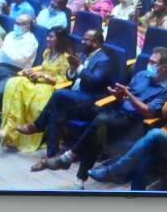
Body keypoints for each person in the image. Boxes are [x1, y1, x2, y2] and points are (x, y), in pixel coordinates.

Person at [39, 46, 167, 188]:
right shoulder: (142, 75)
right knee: (96, 127)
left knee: (100, 123)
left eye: (153, 62)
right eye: (149, 61)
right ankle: (77, 178)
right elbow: (127, 95)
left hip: (136, 123)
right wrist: (118, 94)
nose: (149, 64)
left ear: (164, 67)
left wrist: (128, 95)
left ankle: (69, 160)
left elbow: (148, 111)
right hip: (119, 113)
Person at [13, 29, 113, 163]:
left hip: (91, 100)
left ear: (96, 43)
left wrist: (79, 67)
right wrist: (72, 69)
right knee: (56, 111)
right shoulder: (84, 55)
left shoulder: (104, 60)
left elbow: (95, 80)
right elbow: (70, 77)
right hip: (76, 96)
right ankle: (52, 154)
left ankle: (37, 125)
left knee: (59, 94)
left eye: (86, 40)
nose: (82, 42)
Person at [0, 27, 74, 152]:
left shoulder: (65, 58)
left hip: (51, 87)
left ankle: (14, 132)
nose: (47, 39)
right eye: (47, 36)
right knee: (15, 82)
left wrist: (44, 75)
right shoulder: (47, 52)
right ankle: (10, 128)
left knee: (33, 101)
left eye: (51, 37)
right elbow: (43, 68)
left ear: (60, 39)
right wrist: (31, 71)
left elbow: (64, 80)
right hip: (39, 82)